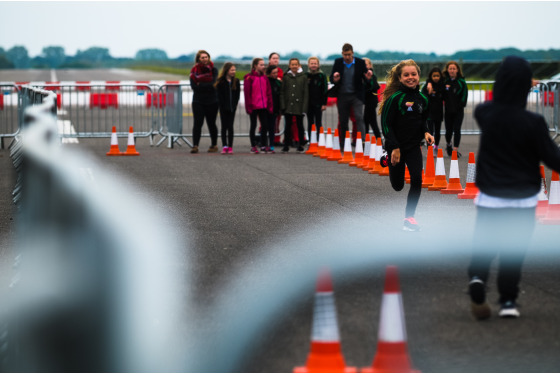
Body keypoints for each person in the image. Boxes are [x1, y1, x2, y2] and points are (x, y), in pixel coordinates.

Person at [468, 56, 560, 320]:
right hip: (522, 197)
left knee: (484, 243)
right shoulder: (534, 123)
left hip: (490, 196)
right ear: (525, 86)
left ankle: (477, 276)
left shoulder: (485, 113)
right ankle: (508, 300)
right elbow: (551, 158)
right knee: (513, 251)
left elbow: (491, 105)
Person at [379, 59, 434, 232]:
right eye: (406, 75)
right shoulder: (395, 98)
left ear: (418, 75)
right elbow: (386, 124)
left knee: (417, 180)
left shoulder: (423, 98)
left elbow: (424, 119)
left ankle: (409, 218)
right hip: (395, 147)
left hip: (412, 147)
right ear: (400, 78)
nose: (411, 77)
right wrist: (394, 147)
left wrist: (426, 132)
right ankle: (388, 159)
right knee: (398, 186)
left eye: (414, 74)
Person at [329, 43, 373, 149]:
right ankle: (343, 143)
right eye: (345, 55)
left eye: (349, 54)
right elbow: (331, 78)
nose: (347, 57)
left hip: (356, 96)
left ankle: (362, 142)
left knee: (359, 118)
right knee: (343, 120)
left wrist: (368, 78)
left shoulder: (360, 63)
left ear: (352, 53)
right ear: (342, 54)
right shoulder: (338, 62)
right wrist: (334, 79)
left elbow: (366, 81)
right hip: (342, 95)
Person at [189, 50, 219, 153]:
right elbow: (193, 87)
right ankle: (195, 145)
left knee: (211, 123)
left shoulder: (214, 70)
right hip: (198, 101)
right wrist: (207, 85)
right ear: (198, 59)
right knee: (198, 123)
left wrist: (201, 85)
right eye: (202, 57)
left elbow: (214, 84)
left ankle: (214, 144)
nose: (205, 59)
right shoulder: (194, 71)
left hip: (212, 101)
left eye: (206, 57)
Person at [244, 57, 273, 154]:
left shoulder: (265, 78)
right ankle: (253, 146)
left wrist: (270, 105)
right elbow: (247, 94)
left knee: (265, 126)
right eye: (261, 65)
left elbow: (268, 92)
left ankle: (263, 145)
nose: (263, 66)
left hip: (263, 106)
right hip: (253, 106)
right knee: (253, 126)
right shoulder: (249, 77)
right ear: (255, 66)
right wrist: (248, 107)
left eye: (264, 65)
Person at [280, 58, 308, 153]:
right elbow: (282, 92)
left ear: (299, 65)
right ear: (289, 66)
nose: (294, 66)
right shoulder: (286, 77)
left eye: (296, 64)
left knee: (300, 126)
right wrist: (283, 105)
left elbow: (306, 93)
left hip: (299, 106)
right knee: (287, 126)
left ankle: (300, 144)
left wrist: (304, 107)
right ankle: (286, 145)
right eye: (292, 64)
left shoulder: (303, 77)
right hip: (288, 105)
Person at [443, 61, 468, 157]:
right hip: (448, 111)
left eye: (454, 68)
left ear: (457, 70)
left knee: (457, 129)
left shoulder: (461, 82)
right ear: (447, 70)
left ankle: (455, 150)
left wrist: (460, 105)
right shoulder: (445, 81)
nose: (452, 70)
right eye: (450, 69)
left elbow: (464, 95)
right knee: (448, 130)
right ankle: (448, 144)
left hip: (458, 111)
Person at [215, 62, 240, 154]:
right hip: (223, 108)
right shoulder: (220, 81)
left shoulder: (236, 81)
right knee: (224, 126)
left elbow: (237, 95)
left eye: (234, 70)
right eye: (232, 70)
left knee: (230, 127)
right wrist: (223, 105)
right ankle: (224, 145)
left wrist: (234, 105)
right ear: (227, 70)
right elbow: (219, 96)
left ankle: (230, 146)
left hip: (232, 108)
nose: (234, 71)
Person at [421, 67, 445, 151]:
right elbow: (422, 96)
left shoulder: (442, 85)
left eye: (437, 76)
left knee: (437, 131)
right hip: (429, 112)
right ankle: (429, 147)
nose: (436, 78)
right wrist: (429, 93)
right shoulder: (427, 85)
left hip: (438, 112)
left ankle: (436, 146)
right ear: (431, 76)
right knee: (430, 131)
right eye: (434, 76)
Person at [306, 56, 328, 141]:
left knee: (318, 122)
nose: (313, 65)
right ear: (308, 65)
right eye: (312, 63)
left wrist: (324, 103)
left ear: (318, 65)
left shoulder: (322, 76)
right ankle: (311, 140)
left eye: (315, 63)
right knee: (310, 123)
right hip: (309, 103)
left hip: (318, 103)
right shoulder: (306, 75)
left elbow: (325, 90)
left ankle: (320, 140)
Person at [264, 64, 282, 153]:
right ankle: (264, 144)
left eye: (276, 73)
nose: (275, 74)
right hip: (265, 108)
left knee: (272, 127)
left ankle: (271, 145)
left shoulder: (278, 82)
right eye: (273, 73)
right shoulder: (265, 81)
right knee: (264, 127)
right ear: (269, 73)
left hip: (275, 108)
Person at [363, 58, 381, 139]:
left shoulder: (372, 75)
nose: (365, 66)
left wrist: (368, 79)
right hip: (365, 102)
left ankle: (379, 141)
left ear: (370, 65)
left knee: (373, 122)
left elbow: (375, 87)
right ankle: (366, 141)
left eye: (366, 64)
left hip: (371, 102)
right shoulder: (362, 75)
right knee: (365, 122)